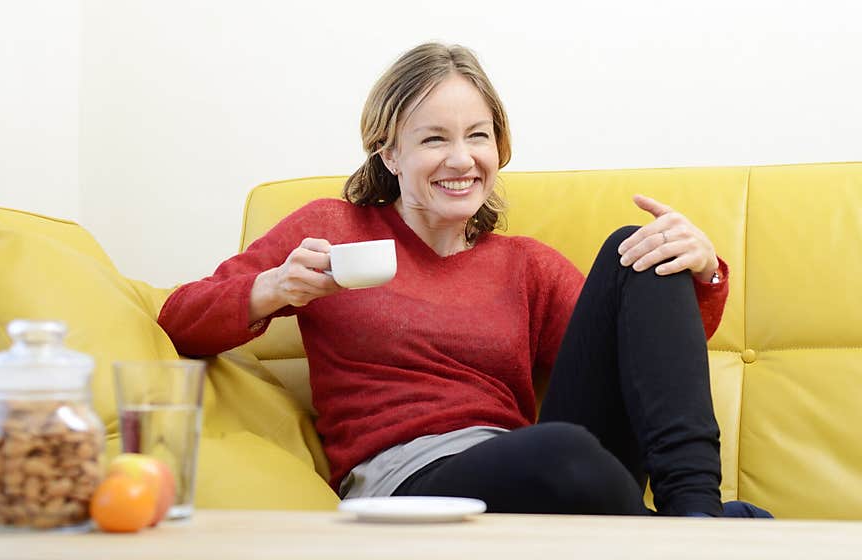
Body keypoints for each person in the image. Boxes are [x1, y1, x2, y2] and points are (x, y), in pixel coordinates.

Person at [158, 42, 771, 518]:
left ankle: (696, 518)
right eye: (433, 139)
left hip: (534, 471)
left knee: (636, 247)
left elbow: (638, 356)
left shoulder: (524, 264)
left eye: (477, 136)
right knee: (559, 451)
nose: (461, 159)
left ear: (498, 148)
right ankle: (694, 533)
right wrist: (275, 288)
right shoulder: (331, 228)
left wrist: (704, 269)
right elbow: (178, 319)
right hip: (412, 482)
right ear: (388, 154)